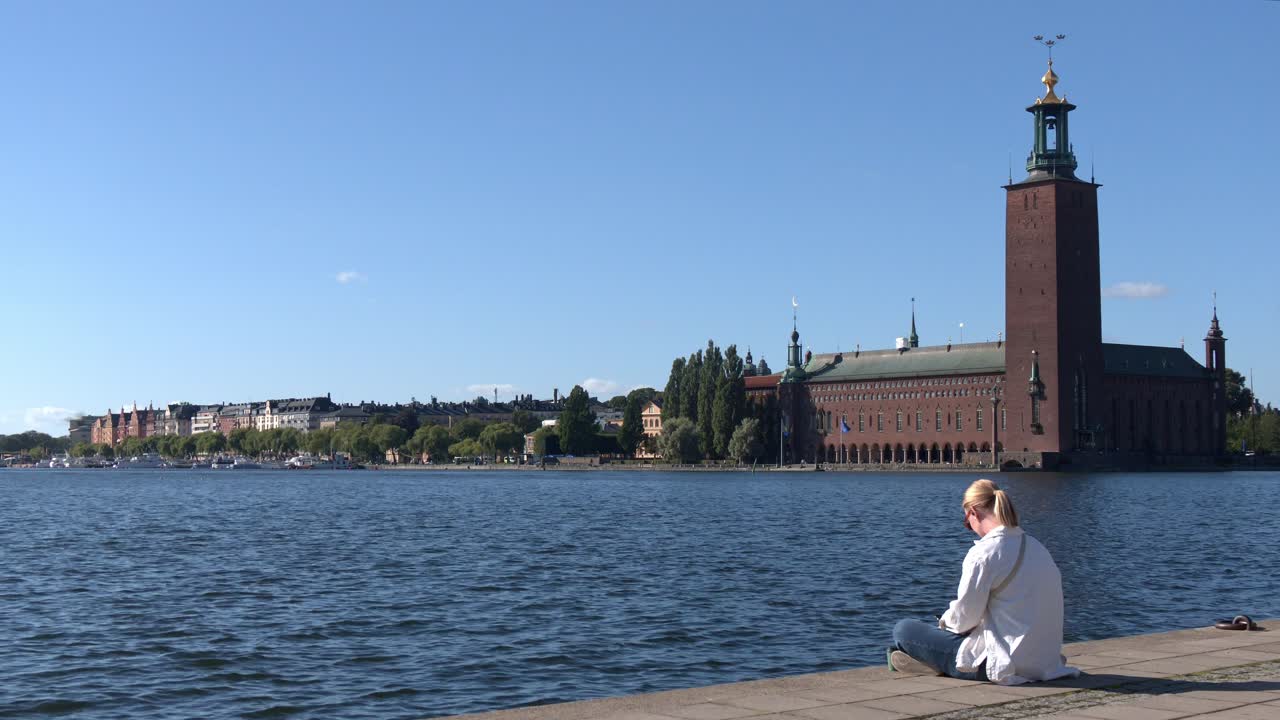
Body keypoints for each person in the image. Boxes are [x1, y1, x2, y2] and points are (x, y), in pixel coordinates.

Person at [889, 479, 1079, 685]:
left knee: (904, 630)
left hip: (1005, 662)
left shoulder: (984, 553)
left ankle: (933, 663)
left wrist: (944, 623)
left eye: (966, 521)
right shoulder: (1038, 547)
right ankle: (934, 662)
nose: (969, 526)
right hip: (1045, 663)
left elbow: (964, 619)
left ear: (973, 512)